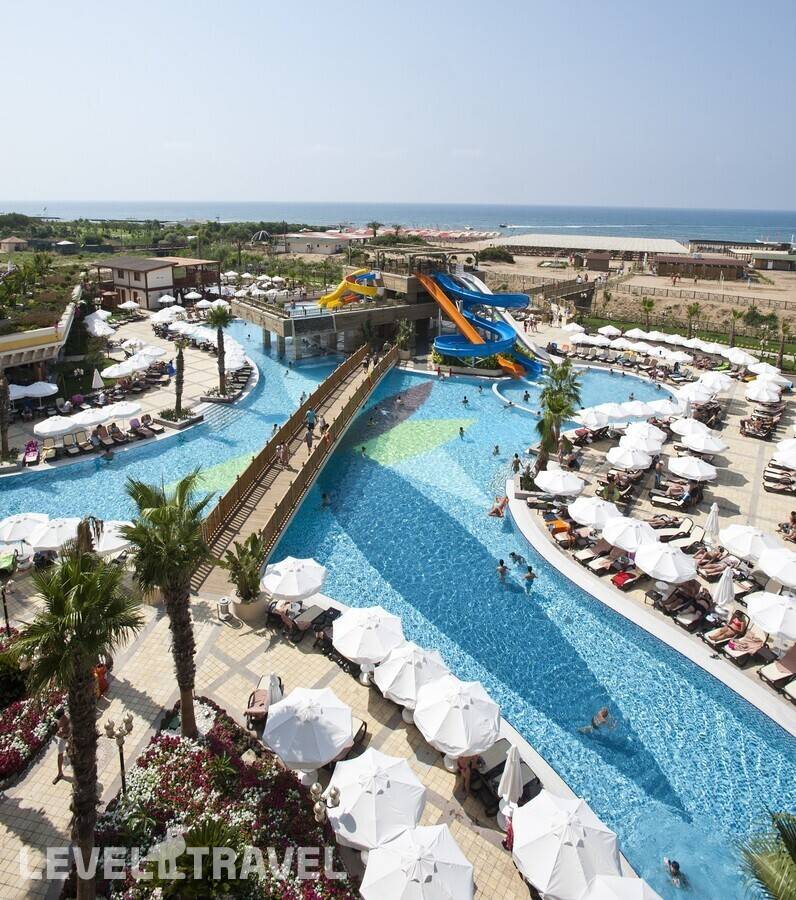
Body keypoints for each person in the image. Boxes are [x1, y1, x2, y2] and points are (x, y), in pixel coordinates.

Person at [53, 708, 70, 784]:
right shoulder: (60, 721)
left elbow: (70, 732)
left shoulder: (69, 720)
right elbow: (59, 727)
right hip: (63, 737)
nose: (58, 720)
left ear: (63, 717)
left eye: (59, 719)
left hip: (71, 737)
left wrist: (64, 734)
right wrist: (59, 733)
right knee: (60, 754)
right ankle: (60, 773)